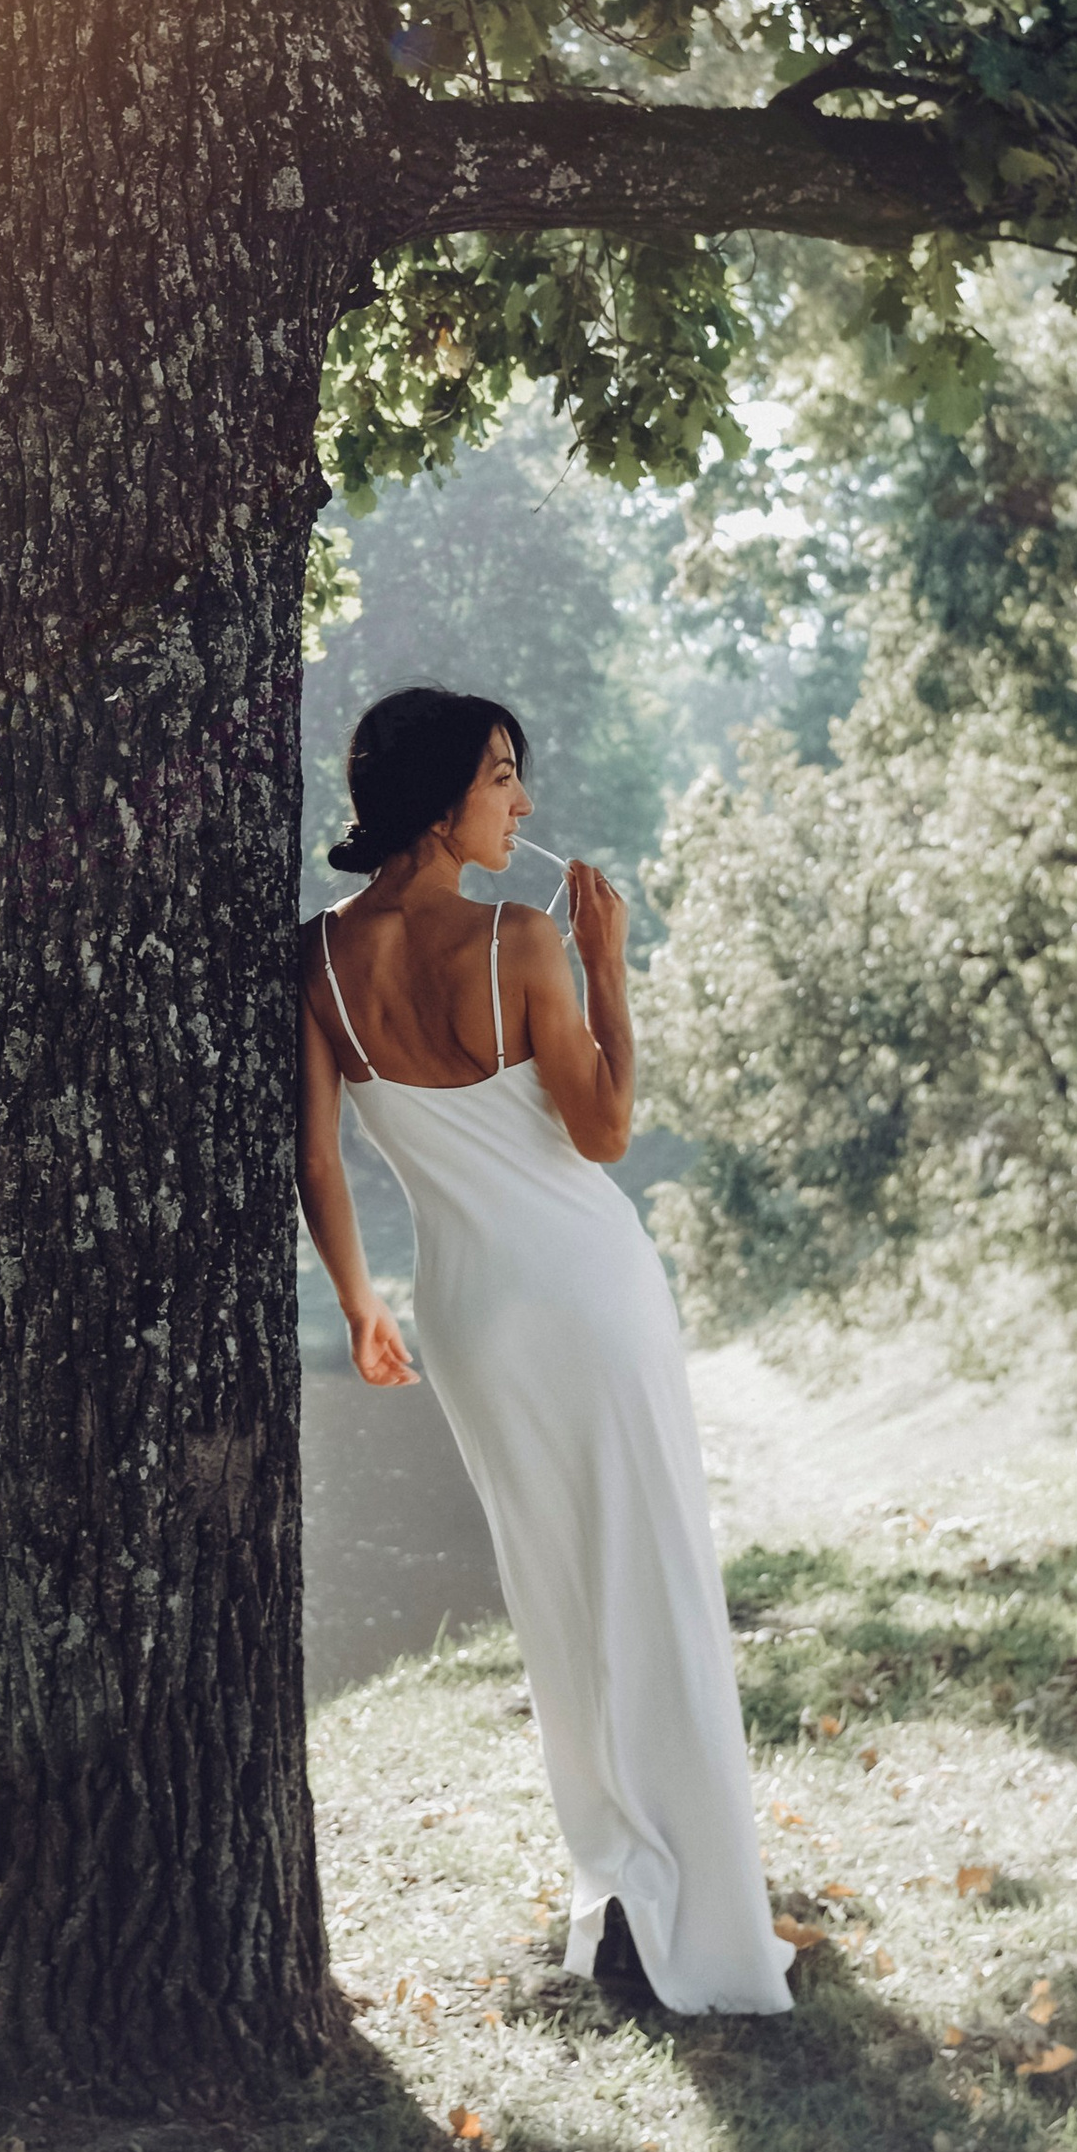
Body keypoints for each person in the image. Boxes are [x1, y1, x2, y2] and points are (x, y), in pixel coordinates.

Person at [297, 685, 791, 2017]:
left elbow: (320, 1163)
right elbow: (605, 1132)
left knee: (557, 1594)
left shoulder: (321, 958)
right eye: (502, 775)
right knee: (654, 1573)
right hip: (586, 1288)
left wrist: (360, 1305)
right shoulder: (520, 939)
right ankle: (706, 1917)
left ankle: (622, 1883)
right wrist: (608, 963)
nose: (521, 802)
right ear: (439, 798)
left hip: (464, 1310)